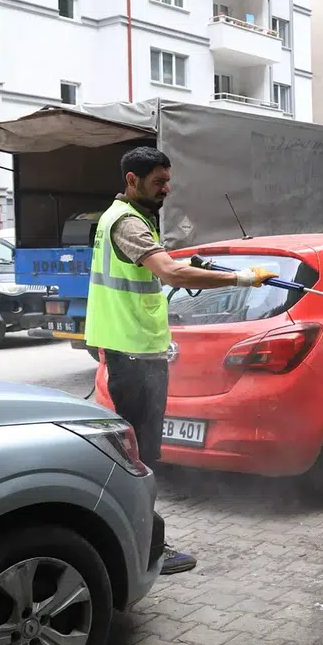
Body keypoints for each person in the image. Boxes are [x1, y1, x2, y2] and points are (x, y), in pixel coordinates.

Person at [85, 146, 275, 574]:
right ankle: (149, 550)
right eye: (158, 182)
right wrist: (241, 278)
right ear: (131, 181)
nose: (167, 189)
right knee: (141, 460)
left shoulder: (118, 217)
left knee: (136, 455)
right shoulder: (128, 222)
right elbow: (169, 274)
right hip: (134, 353)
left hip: (131, 349)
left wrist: (188, 263)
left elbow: (160, 267)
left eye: (168, 180)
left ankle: (135, 543)